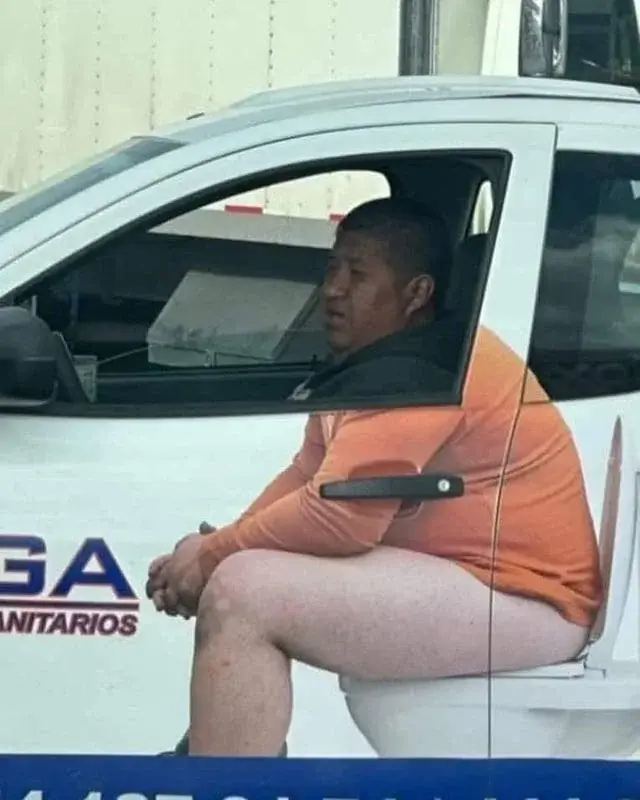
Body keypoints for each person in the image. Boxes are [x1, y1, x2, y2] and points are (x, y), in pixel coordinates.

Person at [146, 197, 602, 757]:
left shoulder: (423, 372)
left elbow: (338, 521)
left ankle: (227, 781)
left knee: (244, 593)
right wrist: (215, 549)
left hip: (526, 598)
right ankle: (224, 762)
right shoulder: (385, 357)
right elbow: (309, 473)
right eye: (332, 268)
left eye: (357, 275)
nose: (333, 290)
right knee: (237, 575)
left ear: (416, 294)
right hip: (477, 582)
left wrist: (212, 557)